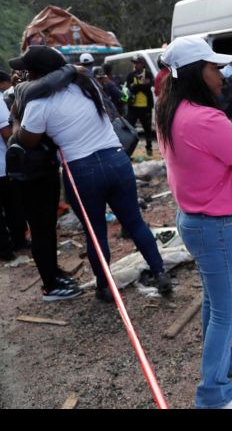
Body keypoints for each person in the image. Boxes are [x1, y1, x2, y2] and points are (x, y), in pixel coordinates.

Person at [11, 45, 172, 302]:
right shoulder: (86, 85)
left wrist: (17, 117)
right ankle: (160, 272)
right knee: (135, 222)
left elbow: (27, 141)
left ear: (36, 73)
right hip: (116, 160)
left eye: (28, 71)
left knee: (96, 232)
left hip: (82, 170)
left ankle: (105, 287)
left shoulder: (37, 103)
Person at [157, 36, 232, 409]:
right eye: (214, 67)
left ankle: (227, 360)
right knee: (227, 309)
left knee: (216, 300)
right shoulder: (205, 118)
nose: (222, 74)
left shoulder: (171, 109)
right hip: (216, 225)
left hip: (199, 220)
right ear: (194, 73)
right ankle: (213, 391)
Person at [8, 48, 80, 301]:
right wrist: (17, 122)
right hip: (30, 173)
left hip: (42, 170)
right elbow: (23, 138)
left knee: (47, 227)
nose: (21, 74)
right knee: (40, 229)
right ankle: (50, 285)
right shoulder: (30, 95)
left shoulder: (35, 92)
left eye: (27, 70)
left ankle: (54, 273)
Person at [0, 97, 29, 260]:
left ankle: (4, 250)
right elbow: (6, 132)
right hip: (3, 166)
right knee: (12, 205)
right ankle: (18, 242)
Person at [125, 55, 154, 157]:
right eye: (134, 63)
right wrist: (141, 85)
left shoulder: (148, 74)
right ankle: (128, 151)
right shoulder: (130, 75)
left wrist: (137, 86)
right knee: (129, 129)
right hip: (133, 107)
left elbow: (149, 85)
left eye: (137, 63)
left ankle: (149, 149)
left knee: (148, 129)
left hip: (146, 107)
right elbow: (130, 88)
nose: (135, 65)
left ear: (142, 64)